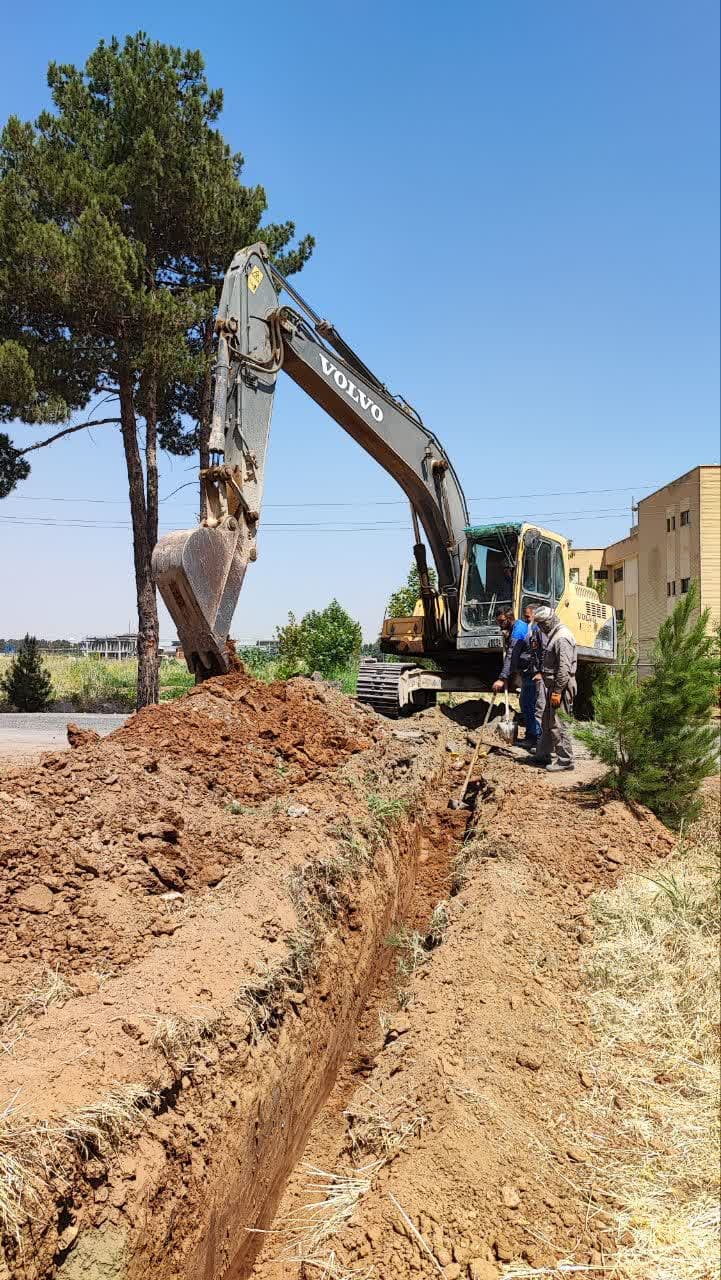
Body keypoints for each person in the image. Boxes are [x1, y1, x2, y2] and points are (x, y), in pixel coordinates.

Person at [531, 605, 577, 772]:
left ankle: (565, 760)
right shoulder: (555, 634)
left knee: (558, 723)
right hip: (554, 685)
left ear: (548, 622)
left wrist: (557, 691)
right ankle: (543, 753)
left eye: (541, 624)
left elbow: (564, 669)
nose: (540, 628)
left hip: (561, 687)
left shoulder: (562, 637)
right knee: (547, 720)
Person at [493, 605, 544, 747]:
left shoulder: (518, 631)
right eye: (498, 621)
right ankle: (533, 736)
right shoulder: (516, 628)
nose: (500, 624)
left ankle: (534, 738)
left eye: (502, 621)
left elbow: (511, 656)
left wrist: (502, 678)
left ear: (510, 618)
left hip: (531, 673)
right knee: (527, 703)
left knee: (529, 704)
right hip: (527, 672)